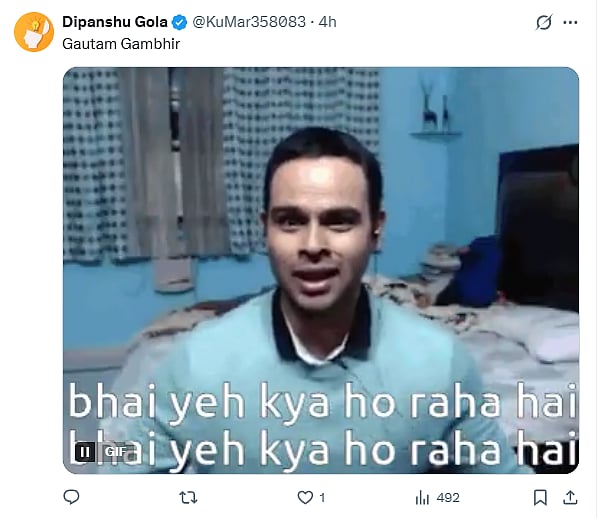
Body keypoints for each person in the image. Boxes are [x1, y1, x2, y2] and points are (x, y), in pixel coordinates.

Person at [101, 127, 532, 474]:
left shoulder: (440, 361)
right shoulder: (196, 362)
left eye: (339, 221)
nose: (312, 245)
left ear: (376, 229)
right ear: (265, 229)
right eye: (290, 221)